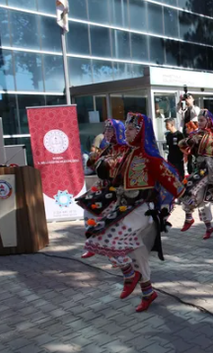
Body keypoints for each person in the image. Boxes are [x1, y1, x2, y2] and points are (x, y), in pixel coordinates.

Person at [80, 113, 185, 312]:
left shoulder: (150, 157)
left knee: (109, 236)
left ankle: (129, 274)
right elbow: (113, 176)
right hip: (126, 206)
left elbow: (174, 183)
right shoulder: (127, 153)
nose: (125, 133)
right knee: (136, 252)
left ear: (140, 132)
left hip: (144, 209)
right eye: (126, 129)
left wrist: (183, 198)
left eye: (130, 129)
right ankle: (147, 292)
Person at [76, 119, 128, 259]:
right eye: (106, 130)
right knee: (88, 211)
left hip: (121, 191)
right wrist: (94, 160)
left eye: (110, 130)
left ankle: (115, 255)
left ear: (119, 131)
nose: (106, 133)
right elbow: (95, 167)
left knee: (113, 222)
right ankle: (92, 243)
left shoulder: (127, 149)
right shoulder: (108, 148)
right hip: (105, 188)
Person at [179, 109, 213, 239]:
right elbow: (181, 145)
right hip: (197, 167)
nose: (200, 123)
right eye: (199, 121)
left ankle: (188, 217)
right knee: (203, 201)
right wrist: (189, 142)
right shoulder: (194, 134)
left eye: (202, 121)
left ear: (209, 121)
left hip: (208, 169)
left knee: (189, 188)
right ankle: (208, 227)